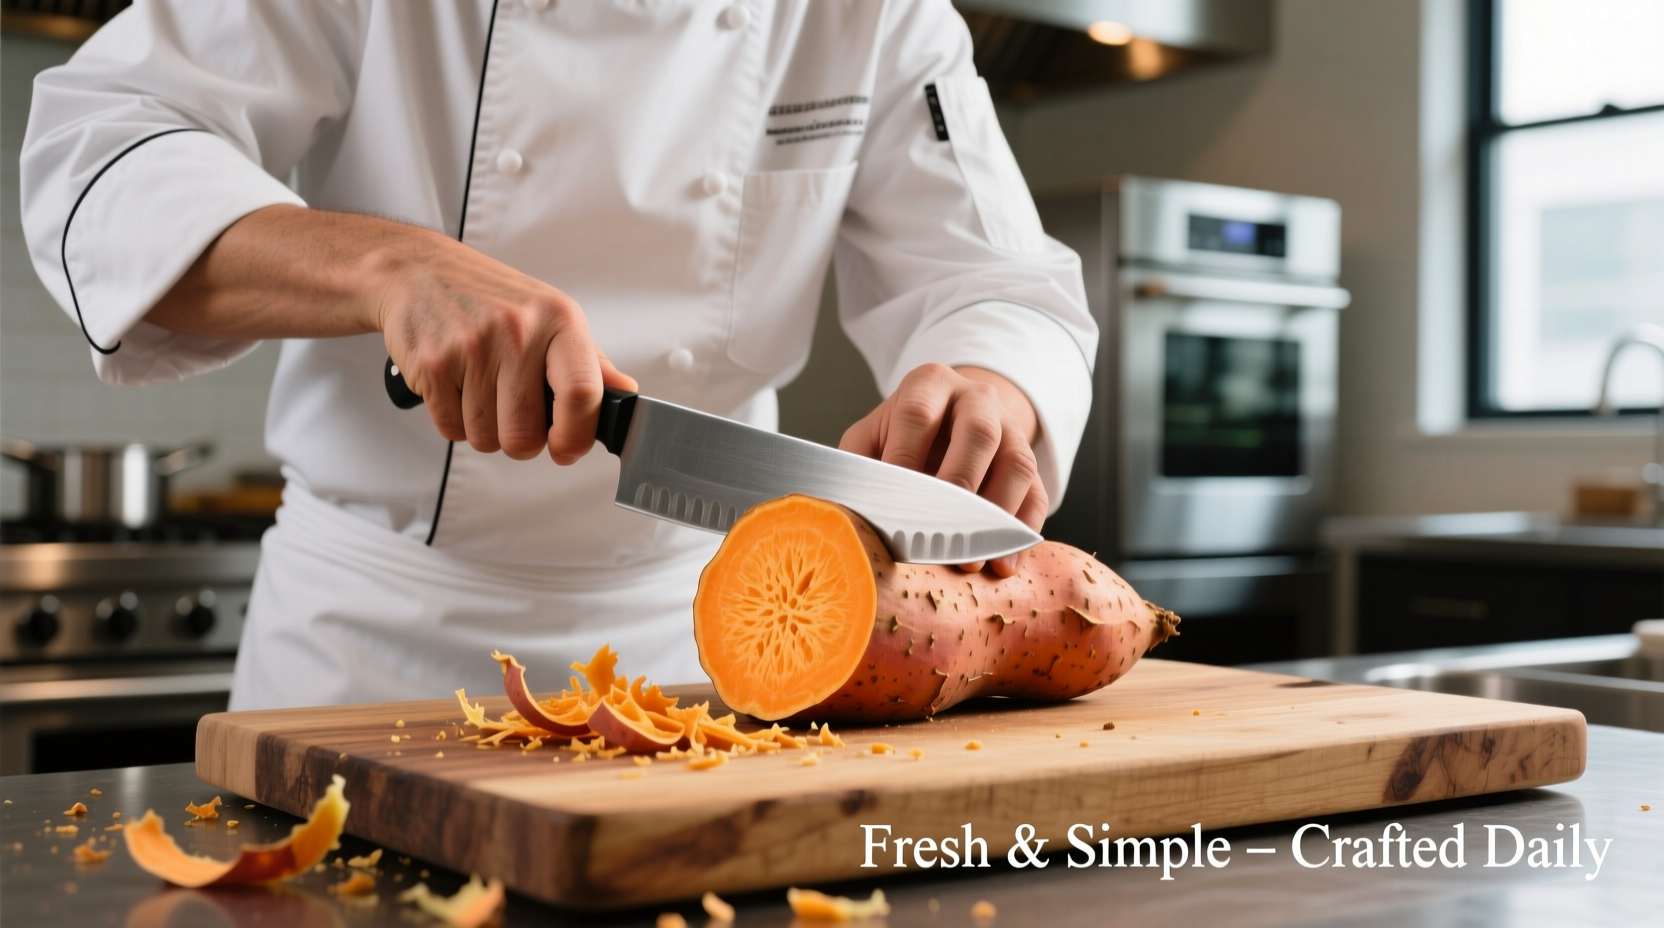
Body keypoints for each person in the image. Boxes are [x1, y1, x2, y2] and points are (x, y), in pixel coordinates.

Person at [20, 0, 1095, 710]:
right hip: (368, 655)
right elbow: (95, 154)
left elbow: (999, 280)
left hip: (707, 651)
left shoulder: (879, 13)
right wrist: (390, 268)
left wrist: (987, 384)